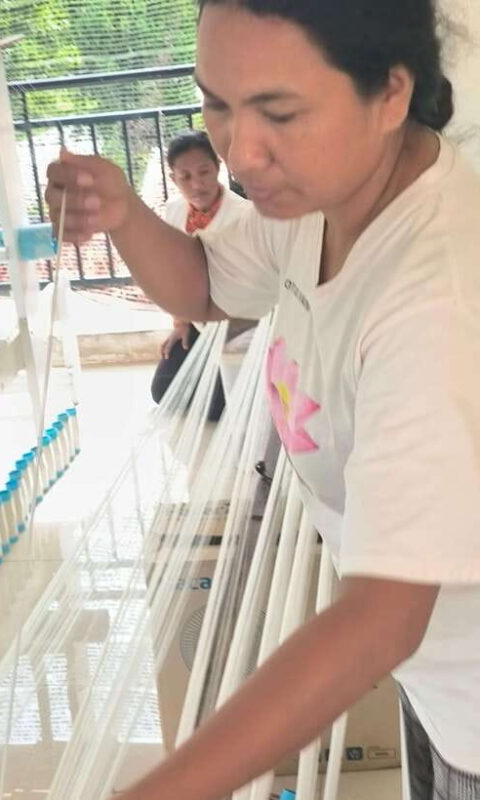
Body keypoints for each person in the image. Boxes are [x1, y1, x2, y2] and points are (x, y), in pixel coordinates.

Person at [45, 0, 480, 797]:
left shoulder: (438, 298)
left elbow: (384, 616)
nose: (240, 153)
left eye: (279, 112)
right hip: (444, 684)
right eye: (216, 103)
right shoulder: (324, 196)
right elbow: (208, 286)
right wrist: (125, 214)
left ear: (390, 93)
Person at [151, 130, 251, 421]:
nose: (197, 184)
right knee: (165, 391)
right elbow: (171, 269)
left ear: (218, 168)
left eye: (204, 172)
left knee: (239, 401)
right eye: (185, 177)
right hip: (200, 319)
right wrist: (181, 322)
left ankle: (243, 394)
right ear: (174, 180)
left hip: (241, 324)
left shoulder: (245, 215)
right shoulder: (174, 211)